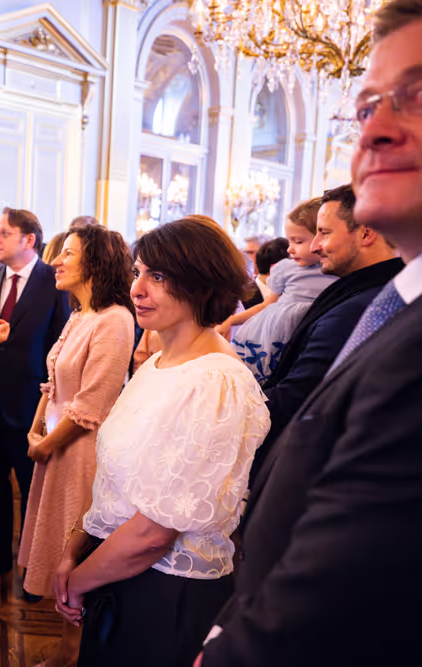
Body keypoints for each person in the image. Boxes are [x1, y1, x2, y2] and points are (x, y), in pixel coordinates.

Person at [199, 3, 422, 663]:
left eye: (416, 96)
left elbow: (349, 582)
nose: (374, 130)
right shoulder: (399, 301)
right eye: (365, 107)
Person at [52, 217, 269, 667]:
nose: (137, 289)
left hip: (165, 590)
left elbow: (154, 533)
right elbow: (115, 481)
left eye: (159, 277)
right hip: (118, 570)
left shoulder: (215, 380)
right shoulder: (155, 365)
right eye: (138, 272)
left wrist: (77, 582)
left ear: (201, 285)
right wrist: (73, 550)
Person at [18, 225, 136, 667]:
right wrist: (35, 432)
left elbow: (93, 403)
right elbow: (53, 385)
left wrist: (46, 445)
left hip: (82, 451)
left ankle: (76, 653)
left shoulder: (115, 320)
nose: (56, 261)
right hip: (56, 444)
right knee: (57, 543)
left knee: (75, 550)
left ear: (96, 262)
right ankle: (71, 647)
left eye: (67, 253)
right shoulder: (80, 314)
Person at [250, 184, 403, 480]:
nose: (315, 245)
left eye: (325, 232)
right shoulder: (359, 292)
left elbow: (298, 397)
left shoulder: (360, 308)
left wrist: (218, 410)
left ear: (366, 232)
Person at [0, 207, 70, 582]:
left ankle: (34, 570)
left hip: (32, 407)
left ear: (28, 240)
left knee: (34, 493)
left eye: (3, 233)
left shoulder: (53, 282)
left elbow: (59, 346)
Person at [220, 199, 337, 381]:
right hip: (276, 332)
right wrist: (232, 320)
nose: (290, 249)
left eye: (298, 241)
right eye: (290, 241)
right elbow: (267, 304)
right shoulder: (286, 268)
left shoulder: (336, 270)